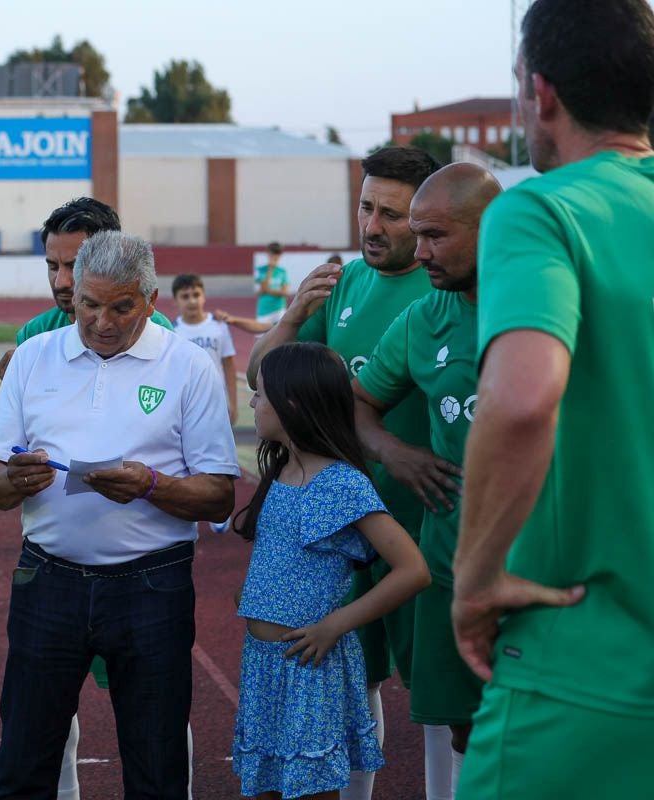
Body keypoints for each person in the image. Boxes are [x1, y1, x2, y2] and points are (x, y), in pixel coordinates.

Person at [451, 1, 654, 796]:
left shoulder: (542, 208)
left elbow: (525, 396)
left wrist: (475, 578)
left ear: (542, 93)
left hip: (580, 678)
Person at [0, 230, 239, 799]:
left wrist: (152, 485)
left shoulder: (189, 367)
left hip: (152, 585)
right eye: (88, 305)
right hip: (47, 579)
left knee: (156, 764)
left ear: (149, 299)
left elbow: (220, 495)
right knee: (24, 761)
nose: (101, 321)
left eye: (121, 307)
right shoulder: (32, 358)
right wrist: (14, 479)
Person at [246, 145, 441, 800]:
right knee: (349, 678)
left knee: (439, 693)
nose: (373, 226)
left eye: (393, 214)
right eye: (366, 207)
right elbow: (261, 378)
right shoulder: (347, 283)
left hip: (421, 523)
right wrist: (296, 314)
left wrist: (390, 451)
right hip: (336, 541)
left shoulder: (449, 286)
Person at [351, 163, 501, 800]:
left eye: (436, 235)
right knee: (462, 726)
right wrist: (395, 452)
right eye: (419, 233)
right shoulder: (423, 317)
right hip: (449, 560)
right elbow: (358, 405)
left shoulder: (544, 298)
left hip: (545, 557)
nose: (423, 250)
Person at [234, 342, 429, 799]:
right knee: (267, 785)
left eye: (261, 395)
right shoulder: (283, 469)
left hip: (308, 663)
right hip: (265, 664)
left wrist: (333, 625)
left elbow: (413, 570)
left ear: (293, 403)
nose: (252, 403)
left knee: (309, 788)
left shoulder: (340, 483)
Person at [0, 197, 176, 378]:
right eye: (53, 266)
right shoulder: (36, 332)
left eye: (73, 266)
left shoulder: (156, 330)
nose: (60, 282)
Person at [171, 273, 239, 424]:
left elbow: (229, 366)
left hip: (216, 400)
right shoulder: (172, 331)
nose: (192, 301)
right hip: (186, 403)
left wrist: (233, 403)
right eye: (185, 296)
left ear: (204, 296)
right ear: (175, 300)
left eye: (196, 295)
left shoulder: (219, 326)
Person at [253, 241, 290, 323]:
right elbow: (263, 288)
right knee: (262, 335)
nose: (275, 256)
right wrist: (271, 269)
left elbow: (285, 292)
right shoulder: (260, 270)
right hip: (264, 310)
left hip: (279, 309)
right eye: (272, 253)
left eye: (277, 253)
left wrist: (268, 291)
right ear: (268, 253)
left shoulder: (282, 271)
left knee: (282, 335)